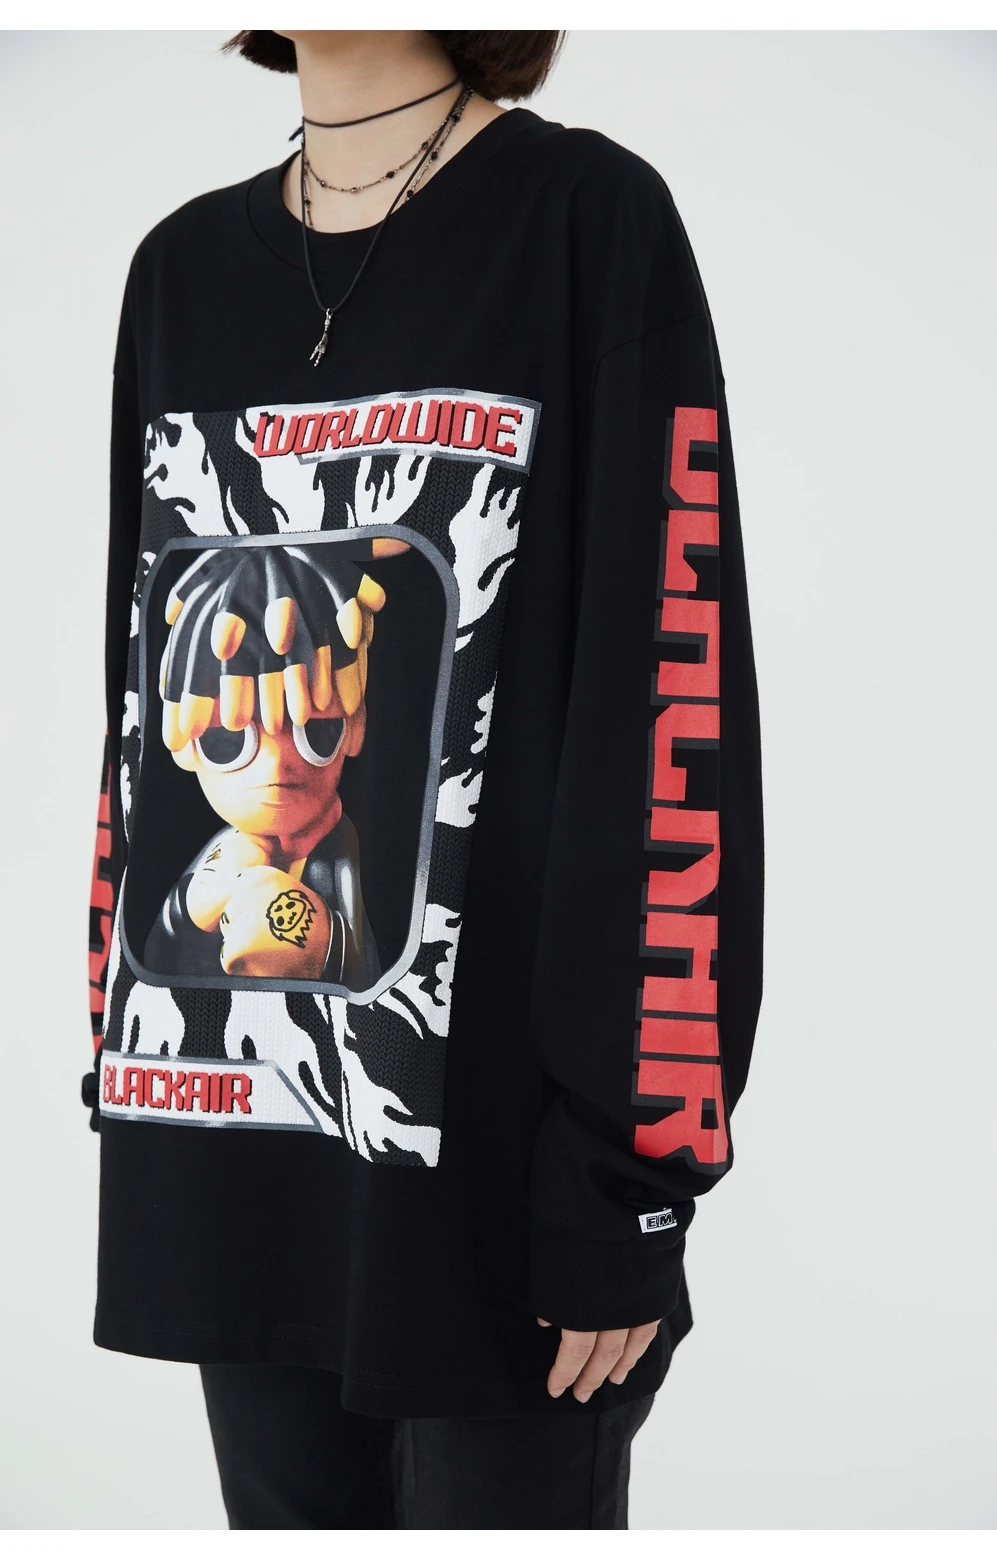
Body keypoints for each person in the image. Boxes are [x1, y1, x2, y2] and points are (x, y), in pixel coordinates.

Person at [83, 28, 764, 1531]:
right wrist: (120, 1040)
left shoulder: (585, 220)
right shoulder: (179, 272)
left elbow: (670, 695)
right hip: (229, 1129)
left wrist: (631, 1168)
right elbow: (136, 701)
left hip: (498, 1177)